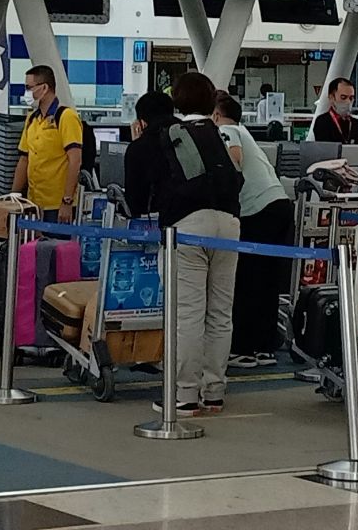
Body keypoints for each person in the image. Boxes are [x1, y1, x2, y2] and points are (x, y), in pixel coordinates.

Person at [124, 74, 242, 415]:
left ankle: (185, 395)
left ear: (177, 99)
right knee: (220, 312)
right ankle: (214, 392)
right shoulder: (216, 133)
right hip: (230, 223)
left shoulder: (165, 137)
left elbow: (137, 199)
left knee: (188, 313)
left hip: (187, 226)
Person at [215, 94, 290, 370]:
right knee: (268, 282)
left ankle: (243, 348)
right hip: (279, 205)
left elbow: (234, 160)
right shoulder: (245, 132)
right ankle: (264, 346)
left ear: (215, 114)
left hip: (256, 212)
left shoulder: (227, 130)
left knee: (246, 280)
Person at [12, 65, 84, 222]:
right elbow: (24, 159)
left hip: (57, 205)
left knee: (56, 245)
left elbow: (75, 161)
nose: (27, 93)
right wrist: (14, 197)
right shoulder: (32, 119)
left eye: (29, 87)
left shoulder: (66, 117)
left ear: (44, 88)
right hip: (34, 203)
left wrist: (67, 200)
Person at [312, 77, 358, 144]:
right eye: (343, 97)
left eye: (351, 98)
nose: (348, 102)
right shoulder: (322, 122)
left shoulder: (354, 123)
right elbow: (324, 150)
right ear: (332, 98)